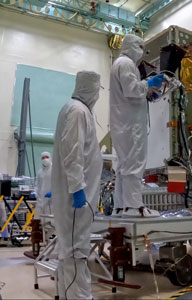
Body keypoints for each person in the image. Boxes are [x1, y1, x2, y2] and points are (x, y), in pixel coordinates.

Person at [52, 71, 103, 299]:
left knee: (69, 254)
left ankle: (66, 296)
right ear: (91, 88)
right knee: (76, 253)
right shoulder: (78, 110)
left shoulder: (76, 109)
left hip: (76, 196)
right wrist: (78, 188)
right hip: (77, 200)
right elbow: (72, 153)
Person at [110, 34, 164, 218]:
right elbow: (131, 89)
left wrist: (147, 87)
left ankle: (121, 207)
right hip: (131, 124)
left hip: (123, 123)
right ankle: (134, 207)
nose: (142, 52)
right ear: (133, 46)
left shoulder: (119, 63)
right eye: (141, 47)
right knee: (134, 164)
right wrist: (149, 82)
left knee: (124, 166)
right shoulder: (125, 64)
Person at [34, 152, 52, 219]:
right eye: (43, 158)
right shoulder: (40, 172)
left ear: (50, 158)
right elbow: (37, 185)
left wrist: (53, 192)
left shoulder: (54, 170)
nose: (45, 159)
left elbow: (59, 183)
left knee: (49, 221)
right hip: (40, 200)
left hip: (51, 201)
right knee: (37, 220)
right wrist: (35, 193)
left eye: (46, 157)